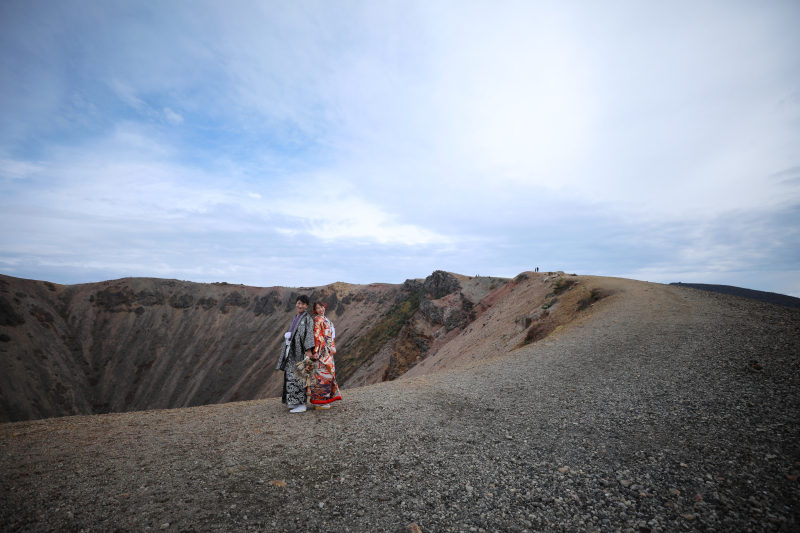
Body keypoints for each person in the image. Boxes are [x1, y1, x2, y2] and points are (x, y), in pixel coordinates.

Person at [276, 295, 315, 413]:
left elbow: (309, 334)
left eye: (303, 304)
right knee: (290, 376)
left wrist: (309, 350)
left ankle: (302, 404)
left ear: (306, 306)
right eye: (298, 303)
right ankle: (294, 402)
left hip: (300, 352)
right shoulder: (296, 317)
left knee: (299, 376)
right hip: (292, 351)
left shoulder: (308, 318)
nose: (300, 305)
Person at [308, 301, 342, 409]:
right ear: (315, 310)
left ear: (324, 307)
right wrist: (316, 351)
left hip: (327, 351)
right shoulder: (317, 320)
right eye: (318, 308)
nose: (320, 309)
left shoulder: (325, 319)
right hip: (322, 353)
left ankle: (323, 400)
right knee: (322, 376)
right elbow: (316, 336)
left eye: (321, 307)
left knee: (326, 375)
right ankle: (319, 402)